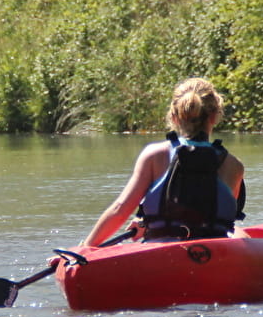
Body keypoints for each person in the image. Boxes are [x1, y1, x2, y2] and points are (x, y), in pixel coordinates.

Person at [81, 77, 245, 247]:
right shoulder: (233, 166)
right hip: (212, 255)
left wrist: (83, 250)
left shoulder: (154, 155)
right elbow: (220, 217)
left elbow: (120, 210)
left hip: (160, 254)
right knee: (241, 233)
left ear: (174, 117)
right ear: (214, 116)